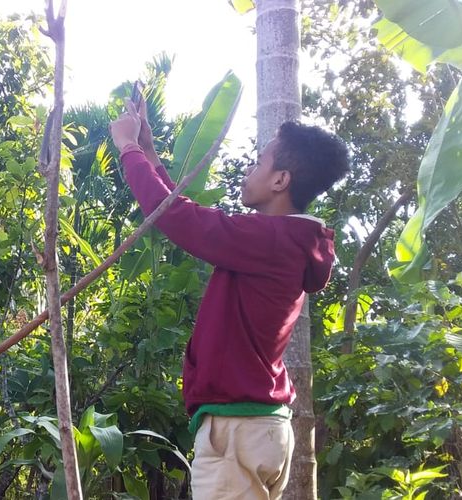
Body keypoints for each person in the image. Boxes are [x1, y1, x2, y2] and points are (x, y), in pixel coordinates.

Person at [109, 98, 350, 499]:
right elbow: (185, 212)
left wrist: (129, 150)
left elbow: (178, 218)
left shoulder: (270, 239)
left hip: (237, 429)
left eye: (259, 163)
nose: (249, 170)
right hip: (264, 428)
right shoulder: (286, 241)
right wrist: (149, 153)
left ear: (280, 181)